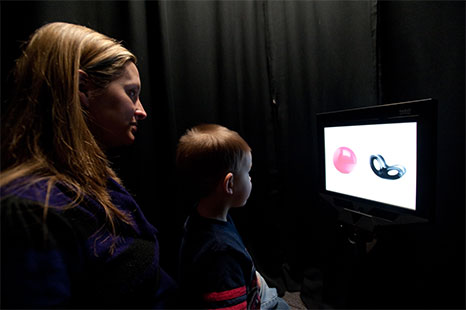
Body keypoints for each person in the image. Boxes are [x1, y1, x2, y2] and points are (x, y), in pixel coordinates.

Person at [0, 22, 177, 308]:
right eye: (131, 93)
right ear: (82, 87)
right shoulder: (29, 210)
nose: (141, 110)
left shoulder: (93, 181)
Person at [176, 124, 289, 309]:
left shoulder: (202, 215)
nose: (250, 179)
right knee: (282, 306)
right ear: (229, 184)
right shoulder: (221, 253)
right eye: (248, 172)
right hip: (246, 299)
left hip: (243, 281)